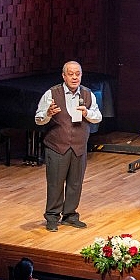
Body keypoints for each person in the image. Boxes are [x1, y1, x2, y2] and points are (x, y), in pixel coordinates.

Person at [35, 60, 102, 232]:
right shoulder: (51, 94)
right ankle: (52, 216)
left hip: (79, 146)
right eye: (70, 74)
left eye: (77, 74)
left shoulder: (88, 94)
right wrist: (48, 114)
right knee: (55, 183)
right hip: (57, 145)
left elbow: (98, 117)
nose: (74, 77)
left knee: (75, 183)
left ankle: (70, 215)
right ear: (63, 76)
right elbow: (38, 118)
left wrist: (87, 113)